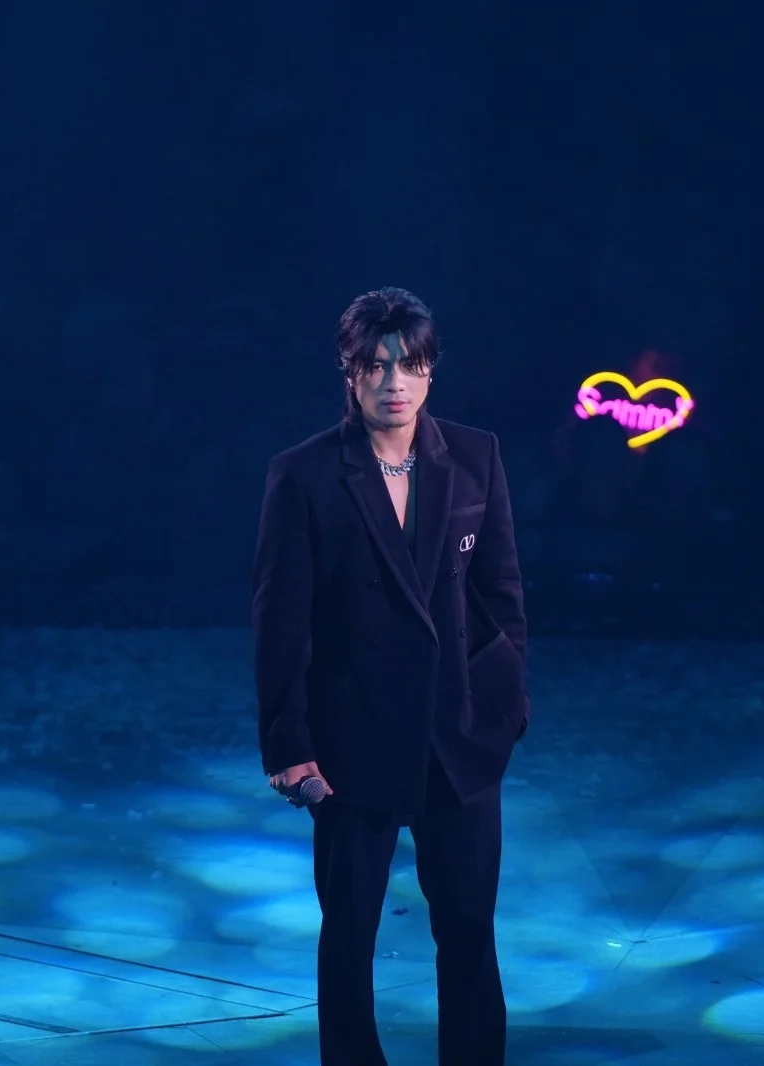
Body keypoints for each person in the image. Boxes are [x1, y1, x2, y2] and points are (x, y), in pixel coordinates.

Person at [252, 287, 528, 1065]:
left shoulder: (475, 457)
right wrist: (288, 746)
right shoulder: (303, 473)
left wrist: (504, 704)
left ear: (431, 370)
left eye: (409, 365)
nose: (393, 382)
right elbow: (281, 621)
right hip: (352, 738)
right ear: (349, 373)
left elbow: (502, 593)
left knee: (469, 929)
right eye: (375, 366)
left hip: (458, 737)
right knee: (349, 937)